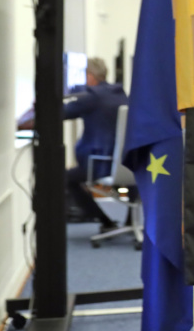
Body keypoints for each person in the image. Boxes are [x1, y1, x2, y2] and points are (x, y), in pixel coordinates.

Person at [19, 57, 129, 229]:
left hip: (99, 163)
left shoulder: (92, 97)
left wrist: (29, 116)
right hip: (125, 162)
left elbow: (57, 114)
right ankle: (131, 221)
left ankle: (104, 220)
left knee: (65, 179)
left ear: (90, 76)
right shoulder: (119, 93)